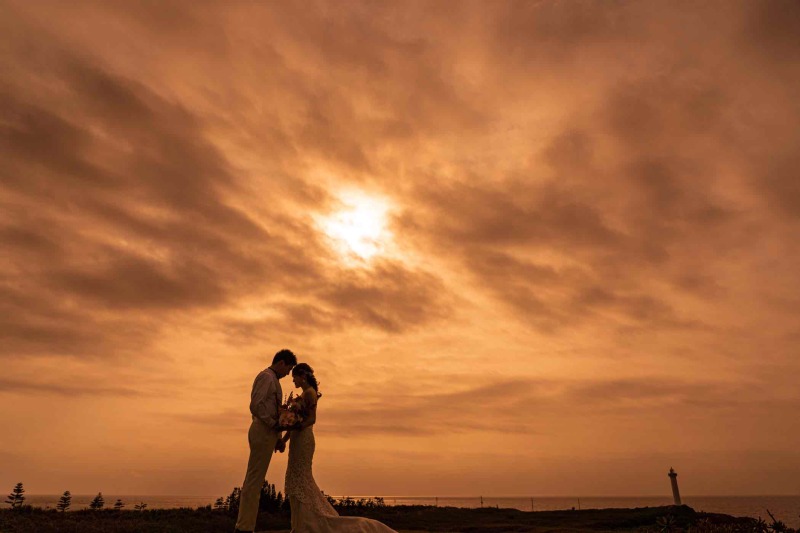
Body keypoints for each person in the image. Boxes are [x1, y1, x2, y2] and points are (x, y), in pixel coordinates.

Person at [282, 363, 397, 533]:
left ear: (302, 376)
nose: (293, 380)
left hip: (304, 439)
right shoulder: (301, 396)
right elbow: (295, 419)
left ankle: (309, 522)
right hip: (297, 440)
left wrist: (296, 426)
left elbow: (311, 419)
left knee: (301, 477)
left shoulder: (310, 394)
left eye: (295, 377)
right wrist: (285, 438)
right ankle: (300, 522)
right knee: (294, 477)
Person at [235, 349, 297, 533]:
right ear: (281, 363)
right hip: (262, 431)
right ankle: (244, 527)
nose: (288, 373)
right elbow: (256, 405)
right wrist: (273, 425)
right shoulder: (266, 378)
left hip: (268, 433)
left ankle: (246, 525)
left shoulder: (273, 380)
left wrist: (277, 436)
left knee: (256, 479)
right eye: (289, 368)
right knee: (254, 479)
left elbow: (272, 410)